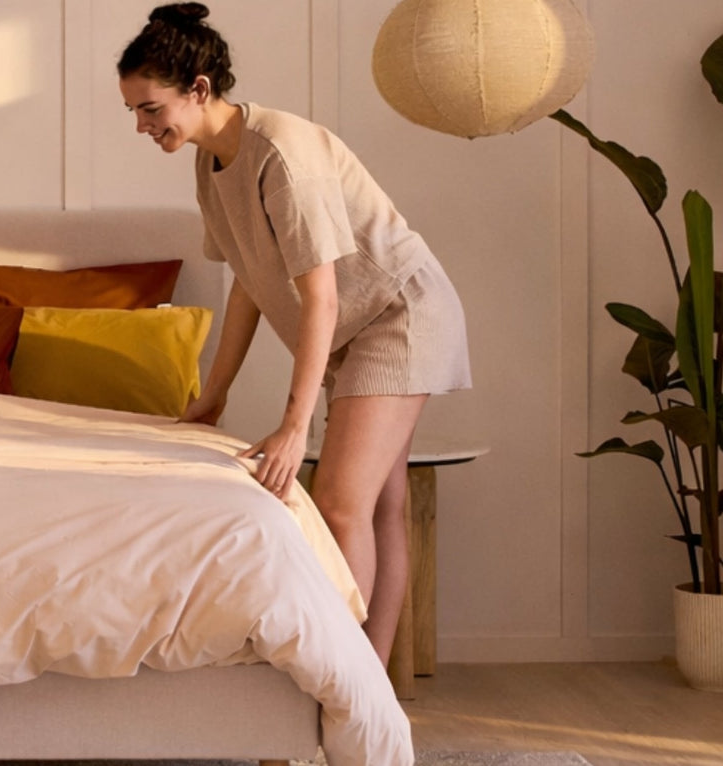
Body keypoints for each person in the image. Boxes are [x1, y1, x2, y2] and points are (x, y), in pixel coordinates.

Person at [117, 2, 471, 666]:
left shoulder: (282, 150)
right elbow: (250, 281)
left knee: (339, 503)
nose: (141, 124)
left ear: (198, 88)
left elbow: (322, 297)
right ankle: (370, 690)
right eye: (133, 111)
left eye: (150, 108)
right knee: (379, 507)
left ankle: (341, 679)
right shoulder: (209, 164)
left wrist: (294, 426)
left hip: (397, 315)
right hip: (355, 326)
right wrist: (215, 393)